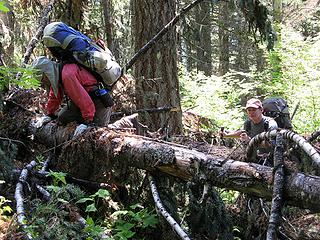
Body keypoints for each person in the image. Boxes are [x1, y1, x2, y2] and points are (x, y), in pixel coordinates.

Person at [32, 56, 112, 131]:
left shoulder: (67, 75)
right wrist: (49, 114)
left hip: (98, 100)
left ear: (47, 73)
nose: (43, 82)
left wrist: (87, 121)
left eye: (42, 79)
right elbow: (54, 97)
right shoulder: (57, 73)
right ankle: (75, 129)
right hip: (85, 100)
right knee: (63, 117)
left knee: (98, 131)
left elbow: (82, 99)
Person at [221, 98, 278, 163]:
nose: (251, 112)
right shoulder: (248, 123)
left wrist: (250, 141)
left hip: (268, 160)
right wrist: (227, 135)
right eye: (249, 110)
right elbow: (243, 132)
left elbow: (271, 144)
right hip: (252, 158)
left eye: (254, 110)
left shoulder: (270, 124)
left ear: (261, 110)